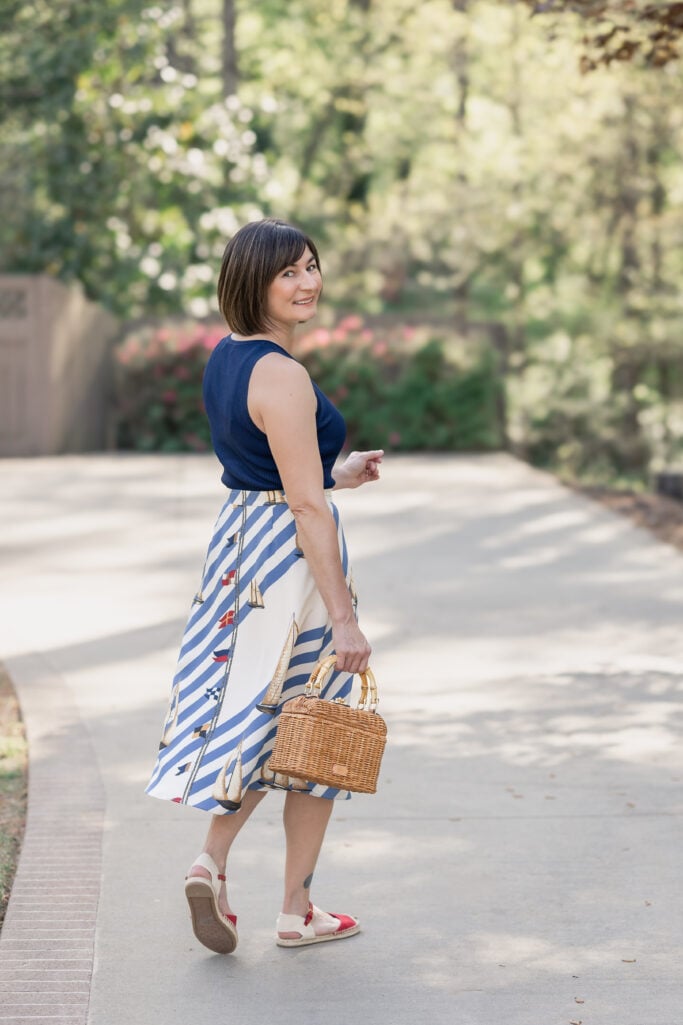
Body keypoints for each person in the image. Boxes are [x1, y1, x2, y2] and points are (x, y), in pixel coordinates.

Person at [145, 218, 383, 954]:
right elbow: (303, 505)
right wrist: (342, 617)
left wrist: (336, 471)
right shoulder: (282, 373)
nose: (308, 282)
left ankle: (216, 864)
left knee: (267, 712)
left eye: (311, 265)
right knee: (315, 723)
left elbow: (274, 469)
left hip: (243, 547)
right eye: (289, 272)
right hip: (288, 561)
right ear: (253, 282)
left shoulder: (229, 358)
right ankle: (288, 905)